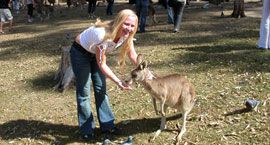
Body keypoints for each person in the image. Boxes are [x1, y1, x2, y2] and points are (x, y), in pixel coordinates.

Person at [69, 9, 139, 140]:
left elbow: (132, 54)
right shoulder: (102, 35)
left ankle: (107, 125)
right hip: (80, 53)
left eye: (132, 25)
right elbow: (102, 64)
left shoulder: (127, 34)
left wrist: (144, 69)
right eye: (126, 24)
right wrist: (118, 81)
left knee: (101, 89)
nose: (129, 28)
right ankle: (86, 129)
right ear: (119, 22)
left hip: (96, 53)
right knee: (84, 92)